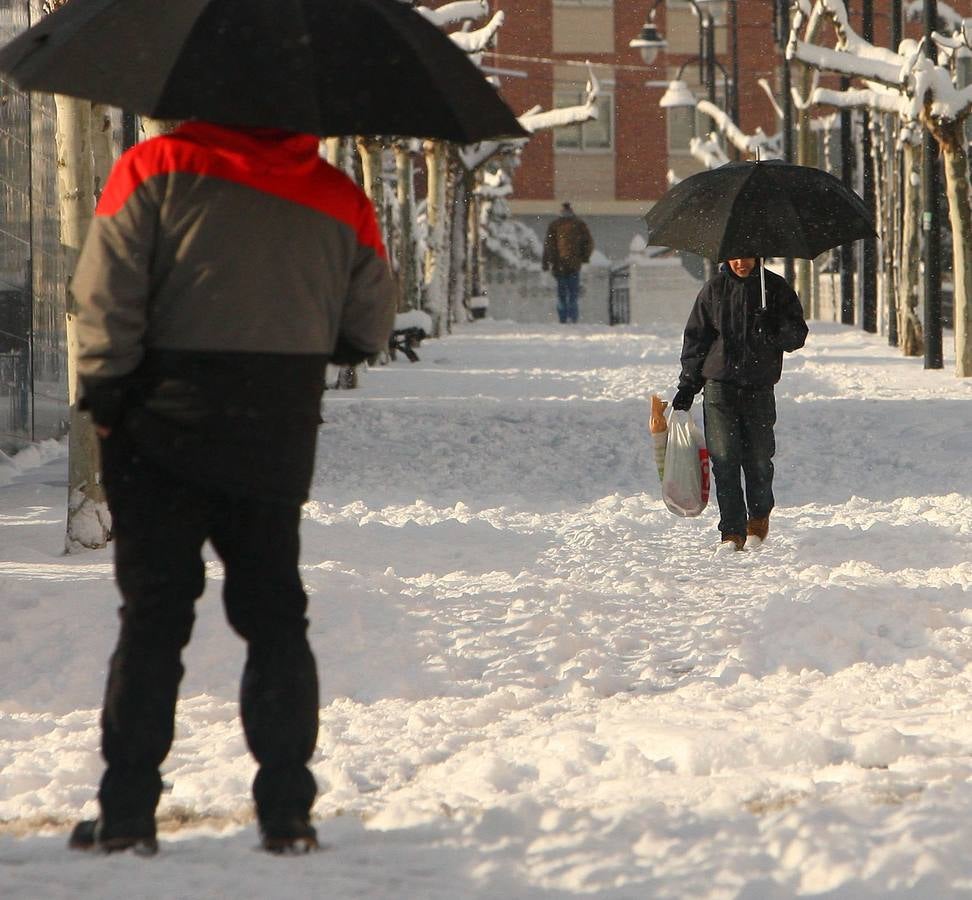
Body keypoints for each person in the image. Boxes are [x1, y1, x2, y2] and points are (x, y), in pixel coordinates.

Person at [67, 121, 397, 855]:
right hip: (273, 430)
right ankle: (286, 812)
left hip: (159, 425)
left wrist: (106, 393)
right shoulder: (340, 196)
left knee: (153, 618)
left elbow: (104, 291)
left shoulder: (154, 167)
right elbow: (369, 324)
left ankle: (127, 813)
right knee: (275, 615)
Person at [671, 257, 808, 551]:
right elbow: (697, 340)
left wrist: (772, 327)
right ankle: (731, 530)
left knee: (758, 458)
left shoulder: (774, 288)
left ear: (757, 257)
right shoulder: (713, 290)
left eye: (747, 256)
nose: (741, 262)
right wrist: (688, 386)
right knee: (724, 460)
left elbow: (797, 335)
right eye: (735, 256)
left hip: (759, 386)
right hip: (719, 387)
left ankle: (758, 513)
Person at [542, 201, 594, 324]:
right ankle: (572, 318)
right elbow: (588, 243)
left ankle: (563, 319)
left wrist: (546, 263)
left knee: (562, 295)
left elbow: (548, 246)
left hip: (559, 266)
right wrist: (584, 257)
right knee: (572, 295)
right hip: (573, 265)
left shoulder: (555, 225)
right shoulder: (579, 225)